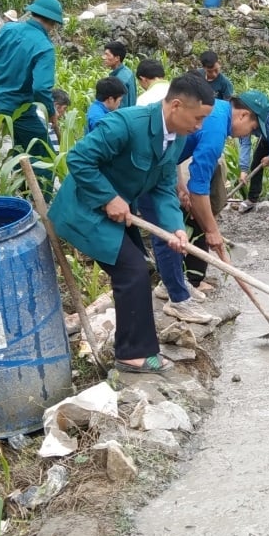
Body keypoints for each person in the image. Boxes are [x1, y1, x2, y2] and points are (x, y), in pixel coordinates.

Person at [47, 75, 216, 374]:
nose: (199, 126)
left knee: (141, 269)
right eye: (198, 117)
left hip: (120, 212)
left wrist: (175, 227)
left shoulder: (177, 138)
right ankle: (131, 355)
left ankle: (143, 348)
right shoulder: (126, 124)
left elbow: (164, 186)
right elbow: (79, 159)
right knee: (132, 270)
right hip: (85, 209)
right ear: (176, 105)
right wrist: (108, 197)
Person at [145, 88, 269, 318]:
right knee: (168, 232)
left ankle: (172, 283)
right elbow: (199, 189)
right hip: (145, 171)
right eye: (252, 129)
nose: (246, 135)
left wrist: (179, 184)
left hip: (159, 167)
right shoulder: (215, 129)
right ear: (242, 115)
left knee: (171, 230)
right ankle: (178, 300)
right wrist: (212, 231)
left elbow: (175, 150)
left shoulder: (217, 113)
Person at [0, 0, 62, 186]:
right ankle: (42, 199)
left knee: (21, 144)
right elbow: (40, 88)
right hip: (18, 106)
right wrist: (51, 112)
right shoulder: (44, 47)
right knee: (45, 153)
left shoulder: (7, 29)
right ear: (53, 23)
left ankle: (20, 184)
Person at [103, 41, 137, 109]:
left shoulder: (119, 80)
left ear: (117, 58)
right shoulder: (127, 71)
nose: (103, 57)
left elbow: (120, 106)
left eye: (107, 55)